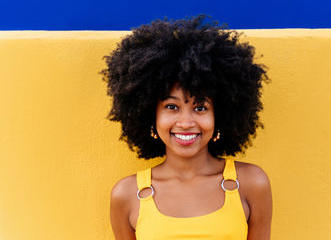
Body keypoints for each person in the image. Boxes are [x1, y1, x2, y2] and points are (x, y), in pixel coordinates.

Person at [100, 15, 273, 240]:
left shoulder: (251, 183)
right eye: (172, 106)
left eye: (200, 107)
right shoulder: (126, 194)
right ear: (150, 115)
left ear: (219, 115)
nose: (185, 122)